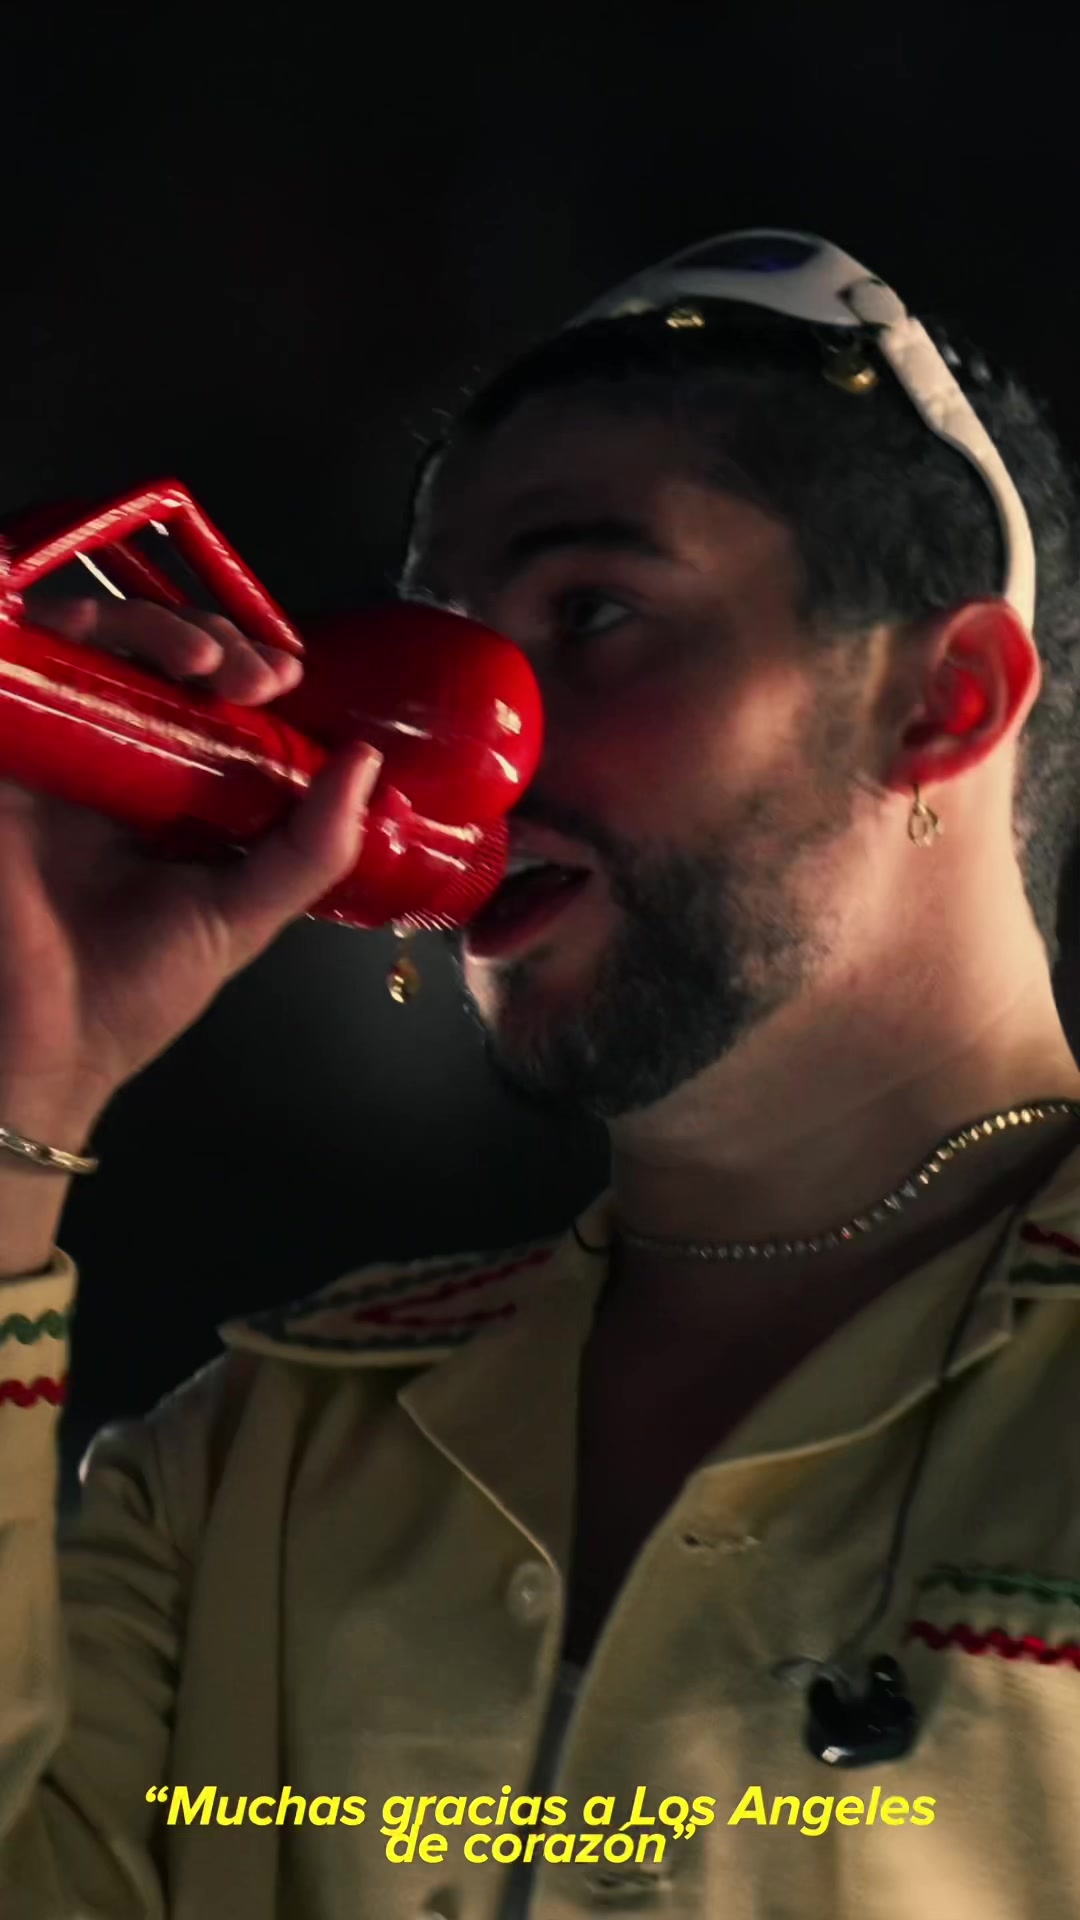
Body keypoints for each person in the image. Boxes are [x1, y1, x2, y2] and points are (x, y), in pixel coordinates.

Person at [3, 229, 1080, 1920]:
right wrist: (17, 1091)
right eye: (432, 647)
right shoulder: (254, 1462)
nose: (446, 758)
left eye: (592, 616)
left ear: (942, 702)